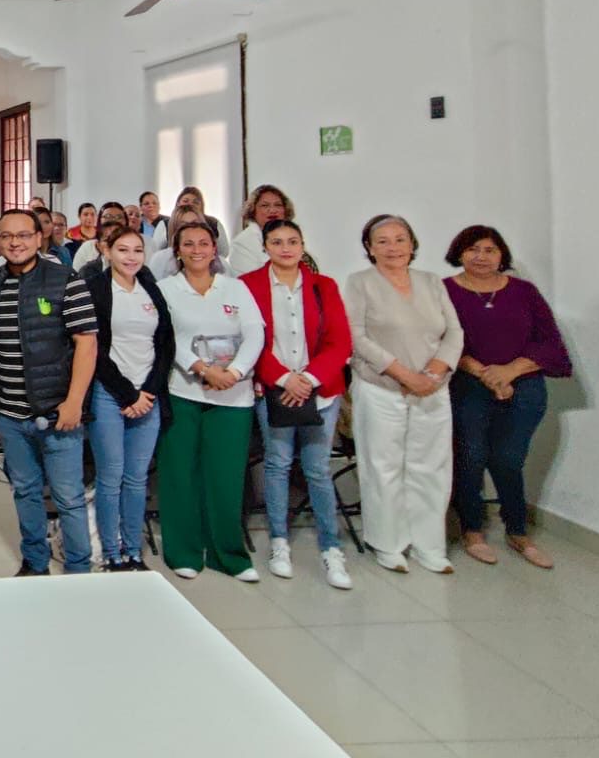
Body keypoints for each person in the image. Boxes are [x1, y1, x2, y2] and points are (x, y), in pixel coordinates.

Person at [444, 224, 571, 569]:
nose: (481, 257)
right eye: (473, 249)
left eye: (490, 250)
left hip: (524, 386)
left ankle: (517, 531)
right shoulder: (444, 291)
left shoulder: (524, 291)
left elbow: (550, 342)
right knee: (470, 456)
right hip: (468, 385)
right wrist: (486, 374)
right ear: (459, 253)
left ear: (502, 255)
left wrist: (510, 371)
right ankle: (472, 530)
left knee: (508, 459)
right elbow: (440, 340)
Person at [343, 214, 463, 574]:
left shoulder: (431, 282)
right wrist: (404, 374)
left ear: (412, 244)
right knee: (383, 466)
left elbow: (454, 332)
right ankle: (388, 543)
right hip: (380, 387)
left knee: (431, 466)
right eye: (382, 241)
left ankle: (430, 545)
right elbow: (356, 336)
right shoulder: (360, 283)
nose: (392, 247)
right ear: (369, 248)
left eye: (400, 239)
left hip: (432, 388)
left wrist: (433, 373)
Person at [240, 219, 355, 590]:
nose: (285, 248)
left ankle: (331, 546)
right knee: (277, 464)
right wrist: (284, 378)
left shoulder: (324, 286)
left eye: (292, 241)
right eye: (276, 242)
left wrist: (307, 379)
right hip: (275, 389)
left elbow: (340, 341)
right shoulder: (249, 285)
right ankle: (279, 541)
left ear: (303, 245)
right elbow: (250, 340)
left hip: (320, 391)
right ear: (266, 247)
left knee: (317, 468)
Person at [0, 209, 98, 576]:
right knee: (25, 491)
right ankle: (35, 563)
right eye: (6, 236)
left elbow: (86, 343)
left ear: (38, 238)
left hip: (58, 412)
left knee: (68, 497)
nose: (15, 243)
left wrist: (74, 402)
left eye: (23, 235)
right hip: (11, 414)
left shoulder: (65, 280)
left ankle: (78, 569)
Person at [158, 219, 265, 581]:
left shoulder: (235, 288)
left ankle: (228, 554)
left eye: (203, 243)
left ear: (214, 248)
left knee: (226, 477)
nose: (197, 250)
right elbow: (166, 337)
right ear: (177, 250)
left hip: (233, 395)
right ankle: (183, 551)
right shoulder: (166, 289)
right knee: (180, 473)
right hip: (184, 390)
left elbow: (254, 334)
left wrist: (234, 372)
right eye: (188, 244)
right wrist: (203, 369)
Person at [84, 225, 174, 572]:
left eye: (137, 250)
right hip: (110, 394)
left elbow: (165, 344)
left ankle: (133, 550)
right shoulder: (95, 289)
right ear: (106, 251)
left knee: (137, 479)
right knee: (111, 477)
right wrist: (127, 393)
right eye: (122, 250)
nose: (131, 257)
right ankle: (112, 552)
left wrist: (148, 390)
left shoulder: (150, 288)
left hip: (147, 396)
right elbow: (93, 349)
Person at [228, 185, 294, 276]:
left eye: (278, 205)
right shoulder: (241, 244)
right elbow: (249, 280)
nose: (272, 210)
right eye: (265, 205)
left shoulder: (293, 238)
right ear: (253, 211)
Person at [147, 204, 226, 280]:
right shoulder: (160, 259)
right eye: (183, 225)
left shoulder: (220, 262)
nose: (190, 229)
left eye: (195, 223)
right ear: (174, 228)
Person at [73, 202, 128, 276]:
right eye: (108, 216)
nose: (113, 220)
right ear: (99, 220)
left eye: (119, 217)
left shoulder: (136, 245)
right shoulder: (87, 247)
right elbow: (76, 276)